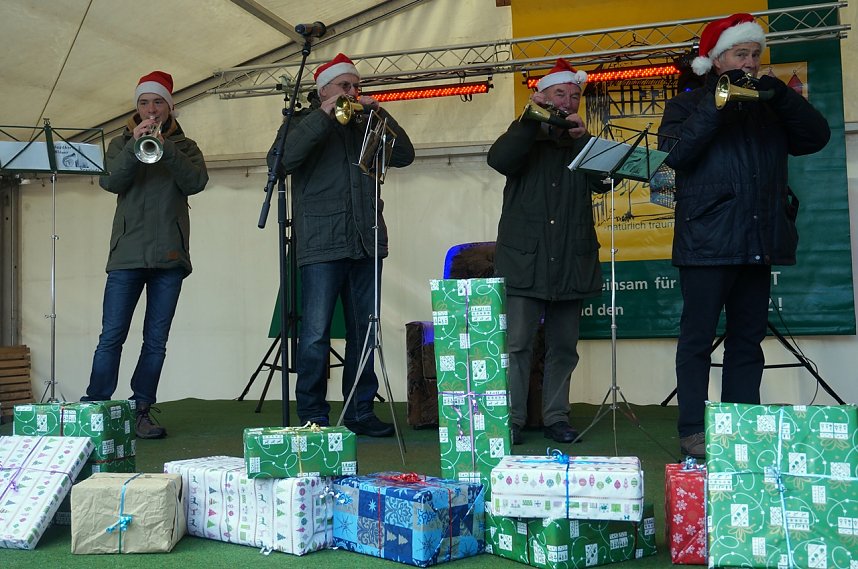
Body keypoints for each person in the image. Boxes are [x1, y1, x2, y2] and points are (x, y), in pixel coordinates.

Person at [658, 14, 830, 458]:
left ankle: (740, 424)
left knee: (747, 338)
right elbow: (676, 155)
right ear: (716, 61)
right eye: (741, 54)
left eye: (755, 54)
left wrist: (781, 98)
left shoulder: (769, 105)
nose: (750, 63)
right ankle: (694, 429)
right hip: (706, 241)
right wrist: (718, 106)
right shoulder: (685, 105)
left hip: (758, 239)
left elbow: (816, 137)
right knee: (696, 339)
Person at [269, 53, 415, 436]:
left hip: (365, 240)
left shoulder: (367, 125)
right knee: (315, 334)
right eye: (344, 86)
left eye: (356, 86)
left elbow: (404, 155)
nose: (353, 92)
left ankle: (359, 411)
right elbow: (279, 163)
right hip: (320, 243)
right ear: (324, 92)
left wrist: (380, 114)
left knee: (365, 331)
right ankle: (313, 416)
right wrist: (324, 115)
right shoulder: (301, 122)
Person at [488, 58, 608, 445]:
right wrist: (529, 120)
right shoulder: (523, 132)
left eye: (575, 95)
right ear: (541, 95)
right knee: (518, 344)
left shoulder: (581, 139)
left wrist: (581, 139)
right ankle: (512, 419)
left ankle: (557, 416)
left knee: (563, 346)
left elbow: (604, 182)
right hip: (526, 258)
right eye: (560, 94)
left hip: (571, 259)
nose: (569, 101)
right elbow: (500, 160)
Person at [83, 70, 209, 439]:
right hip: (126, 256)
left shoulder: (185, 147)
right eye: (143, 103)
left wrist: (165, 148)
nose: (150, 110)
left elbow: (195, 183)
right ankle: (98, 408)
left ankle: (141, 411)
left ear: (170, 107)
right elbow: (110, 182)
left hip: (169, 258)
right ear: (135, 108)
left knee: (155, 341)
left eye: (157, 103)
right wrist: (132, 148)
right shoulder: (120, 144)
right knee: (112, 336)